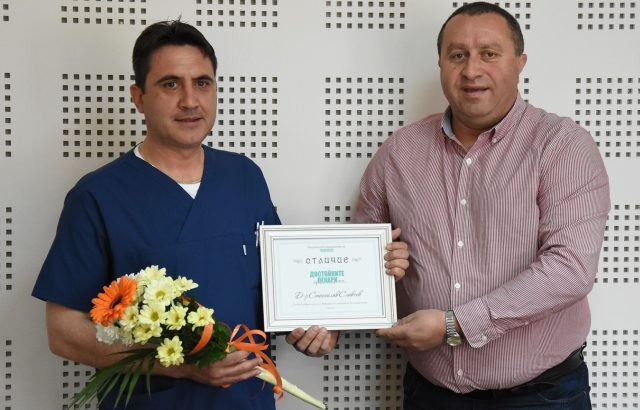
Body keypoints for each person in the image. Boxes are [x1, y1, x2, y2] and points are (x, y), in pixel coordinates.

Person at [32, 20, 409, 409]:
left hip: (247, 400)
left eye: (202, 83)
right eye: (170, 84)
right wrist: (181, 367)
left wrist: (363, 279)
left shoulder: (244, 177)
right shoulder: (97, 196)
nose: (190, 101)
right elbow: (63, 332)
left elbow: (285, 290)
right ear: (139, 97)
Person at [354, 2, 610, 409]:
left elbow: (569, 269)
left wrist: (455, 325)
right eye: (458, 55)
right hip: (432, 394)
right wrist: (343, 305)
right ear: (441, 64)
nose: (472, 70)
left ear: (520, 63)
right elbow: (357, 255)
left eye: (489, 54)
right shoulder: (399, 153)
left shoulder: (561, 145)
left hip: (542, 396)